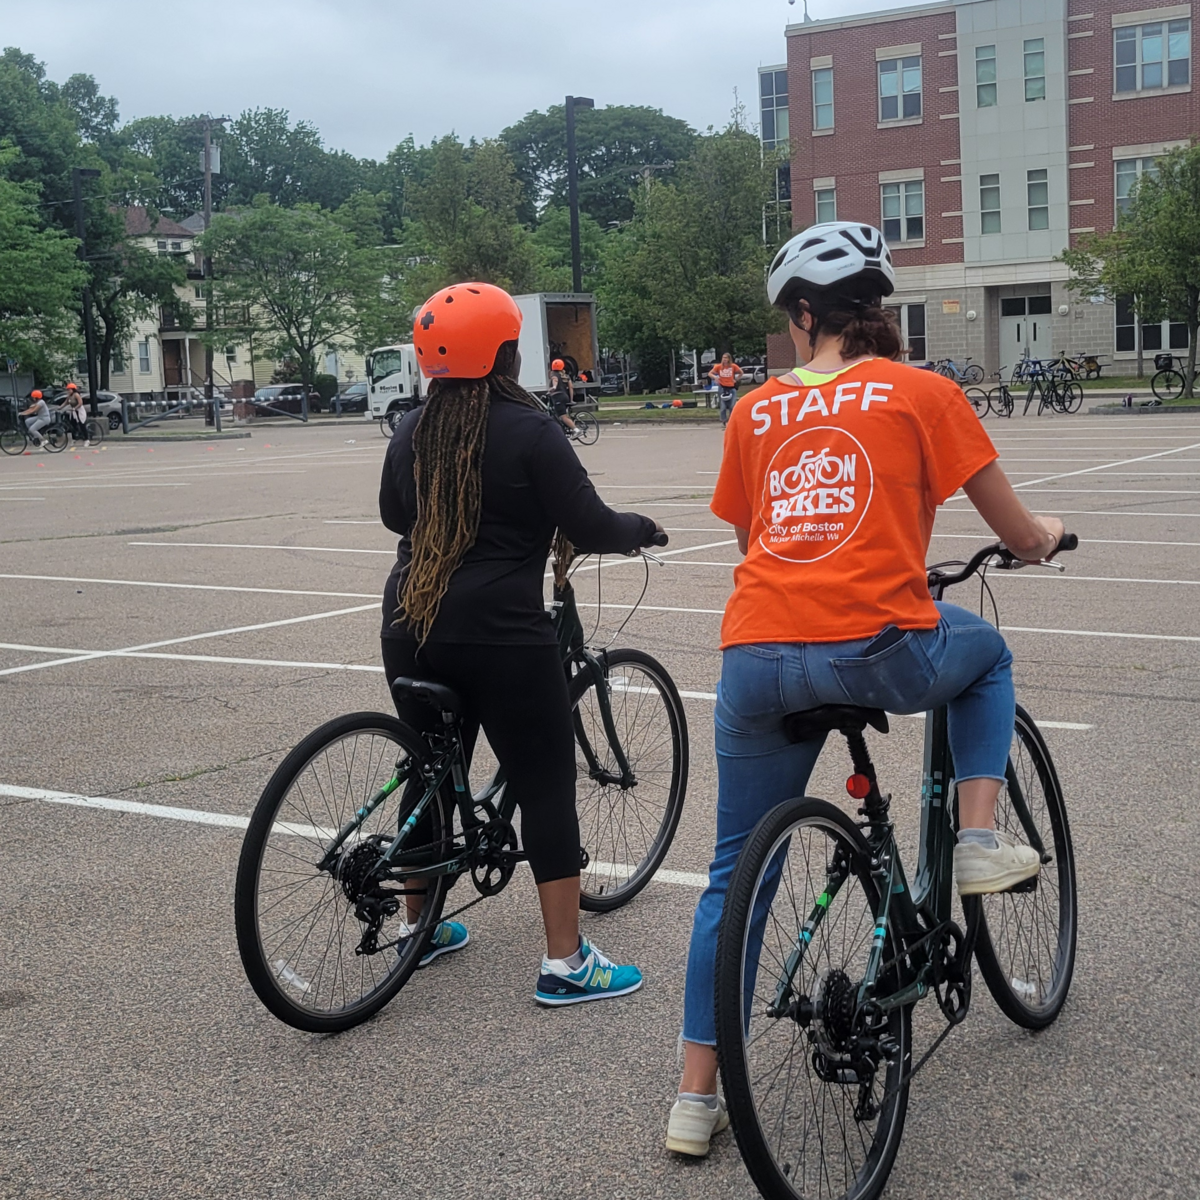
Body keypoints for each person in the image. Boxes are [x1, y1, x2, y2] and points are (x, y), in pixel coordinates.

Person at [665, 220, 1066, 1157]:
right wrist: (1042, 532)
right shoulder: (923, 390)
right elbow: (1008, 523)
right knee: (987, 657)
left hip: (757, 653)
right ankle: (974, 839)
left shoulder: (753, 410)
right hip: (877, 646)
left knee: (732, 875)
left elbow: (752, 542)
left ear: (805, 317)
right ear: (873, 311)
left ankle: (692, 1099)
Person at [380, 281, 664, 1004]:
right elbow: (594, 525)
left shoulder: (413, 426)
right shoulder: (531, 429)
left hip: (410, 622)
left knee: (432, 764)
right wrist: (642, 529)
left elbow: (393, 517)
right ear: (506, 352)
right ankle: (567, 962)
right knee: (544, 781)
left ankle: (421, 923)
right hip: (500, 633)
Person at [707, 353, 744, 427]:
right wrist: (715, 377)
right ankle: (723, 420)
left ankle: (732, 421)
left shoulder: (733, 366)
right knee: (723, 407)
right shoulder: (719, 367)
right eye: (723, 358)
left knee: (732, 406)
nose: (724, 359)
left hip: (731, 388)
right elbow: (710, 373)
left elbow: (741, 372)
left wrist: (736, 379)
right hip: (722, 388)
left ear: (729, 359)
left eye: (726, 358)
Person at [547, 357, 576, 433]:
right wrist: (571, 399)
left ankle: (576, 430)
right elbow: (571, 388)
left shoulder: (554, 374)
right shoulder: (566, 376)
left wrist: (554, 387)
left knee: (563, 416)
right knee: (559, 414)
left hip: (558, 397)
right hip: (565, 397)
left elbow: (555, 380)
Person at [59, 382, 92, 447]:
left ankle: (86, 440)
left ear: (73, 389)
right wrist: (60, 408)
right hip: (74, 412)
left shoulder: (76, 395)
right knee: (72, 425)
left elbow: (80, 403)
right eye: (67, 390)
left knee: (82, 424)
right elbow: (65, 403)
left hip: (79, 411)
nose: (68, 391)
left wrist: (75, 408)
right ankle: (74, 438)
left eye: (69, 390)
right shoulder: (69, 396)